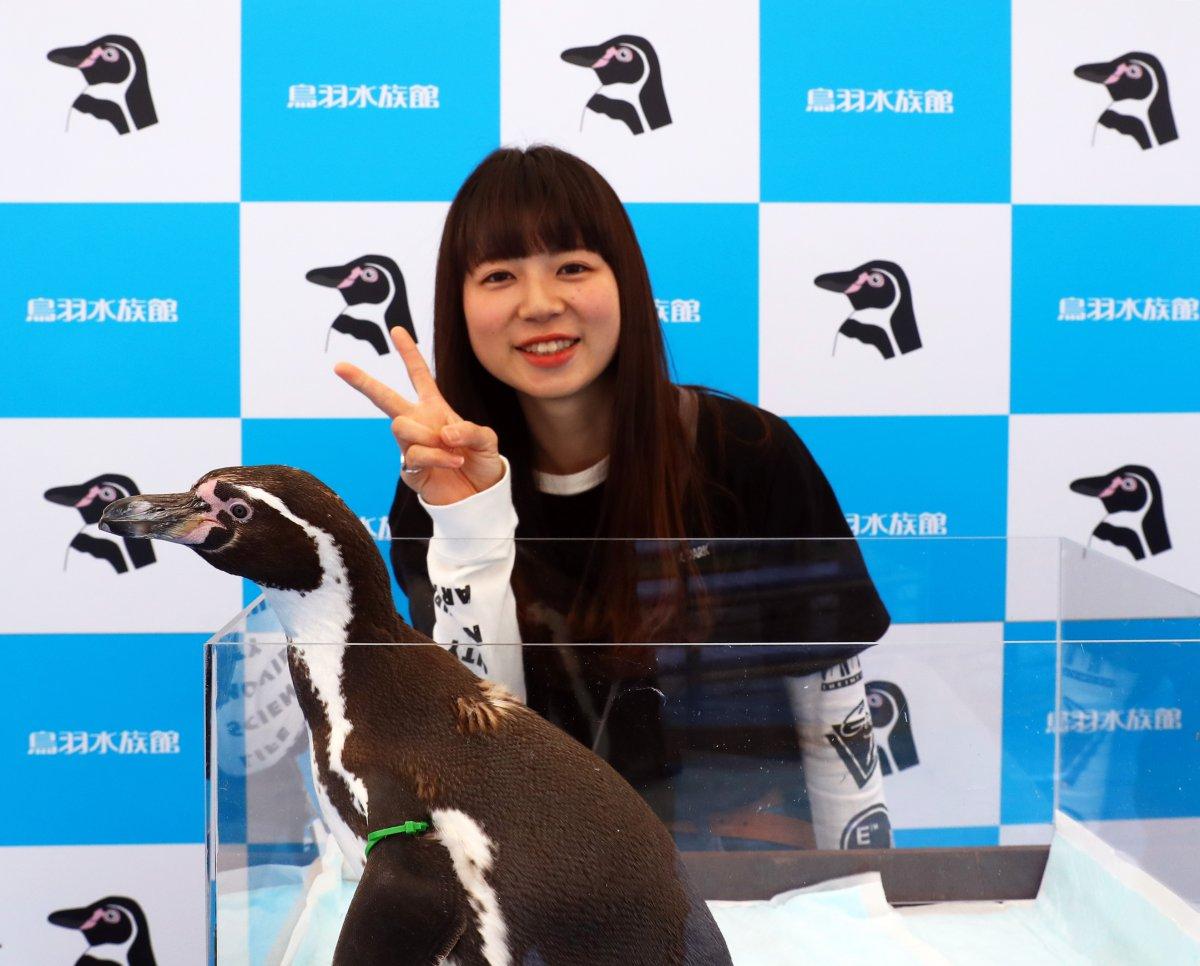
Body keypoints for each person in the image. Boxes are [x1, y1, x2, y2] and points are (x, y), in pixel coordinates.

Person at [336, 145, 892, 851]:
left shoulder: (748, 453)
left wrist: (860, 896)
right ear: (460, 304)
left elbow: (832, 695)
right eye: (500, 276)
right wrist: (468, 520)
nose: (540, 305)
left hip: (749, 869)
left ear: (624, 281)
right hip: (553, 873)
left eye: (572, 267)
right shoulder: (434, 487)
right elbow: (479, 735)